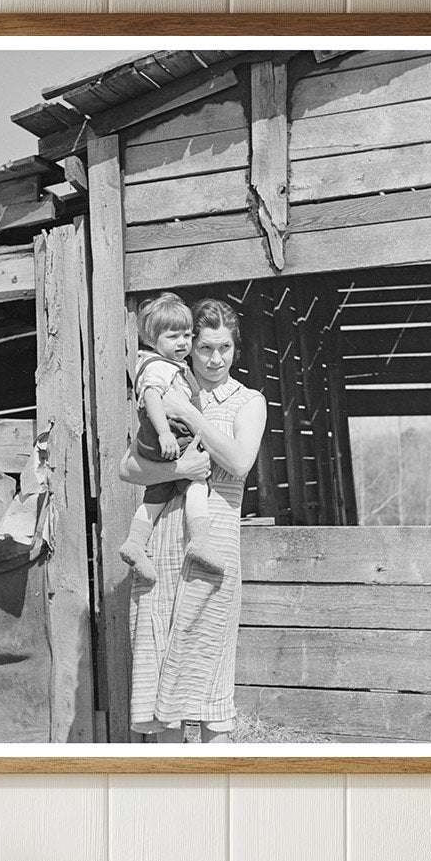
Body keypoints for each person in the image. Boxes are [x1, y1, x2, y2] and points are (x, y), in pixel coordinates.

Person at [119, 298, 268, 744]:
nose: (214, 358)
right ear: (190, 347)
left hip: (212, 535)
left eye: (224, 348)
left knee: (207, 662)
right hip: (162, 535)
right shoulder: (166, 385)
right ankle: (172, 793)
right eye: (205, 348)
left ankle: (216, 790)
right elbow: (128, 468)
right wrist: (178, 471)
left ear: (234, 348)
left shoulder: (248, 401)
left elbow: (239, 463)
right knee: (160, 655)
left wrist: (191, 416)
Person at [118, 292, 225, 582]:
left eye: (187, 336)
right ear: (153, 340)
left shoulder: (163, 364)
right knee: (198, 482)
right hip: (167, 432)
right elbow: (152, 395)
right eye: (173, 336)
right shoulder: (158, 366)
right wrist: (165, 433)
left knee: (158, 491)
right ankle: (200, 541)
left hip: (160, 434)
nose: (182, 343)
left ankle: (135, 543)